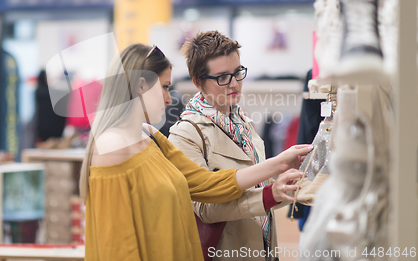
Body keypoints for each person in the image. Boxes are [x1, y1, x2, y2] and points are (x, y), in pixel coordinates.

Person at [79, 43, 312, 261]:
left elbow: (206, 184)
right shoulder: (112, 147)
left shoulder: (150, 136)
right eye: (164, 87)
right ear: (141, 85)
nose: (170, 99)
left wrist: (281, 163)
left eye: (237, 73)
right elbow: (116, 245)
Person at [168, 30, 300, 260]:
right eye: (222, 77)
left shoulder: (243, 124)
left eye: (238, 72)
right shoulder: (185, 134)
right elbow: (206, 208)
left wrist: (285, 186)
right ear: (198, 82)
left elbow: (263, 190)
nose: (234, 83)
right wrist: (270, 193)